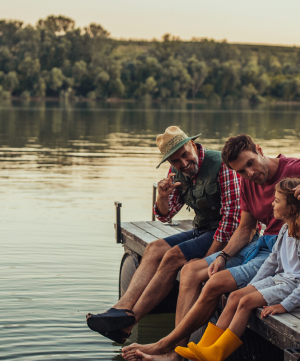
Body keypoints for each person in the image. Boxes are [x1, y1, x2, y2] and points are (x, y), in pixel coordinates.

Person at [122, 133, 300, 361]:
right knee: (191, 270)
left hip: (280, 248)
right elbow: (245, 228)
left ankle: (167, 347)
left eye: (250, 164)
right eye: (241, 171)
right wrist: (222, 255)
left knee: (215, 284)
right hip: (259, 243)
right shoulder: (246, 182)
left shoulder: (295, 169)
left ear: (259, 150)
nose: (249, 174)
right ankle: (177, 356)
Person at [86, 126, 242, 344]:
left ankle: (129, 323)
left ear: (192, 144)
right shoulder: (176, 172)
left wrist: (209, 259)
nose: (183, 163)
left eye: (185, 154)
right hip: (202, 229)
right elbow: (165, 215)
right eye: (175, 161)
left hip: (226, 235)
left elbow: (231, 223)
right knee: (154, 248)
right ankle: (121, 309)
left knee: (172, 256)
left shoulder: (222, 165)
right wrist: (162, 196)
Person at [175, 178, 300, 361]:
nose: (272, 204)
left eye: (277, 201)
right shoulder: (284, 230)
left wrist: (284, 306)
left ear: (291, 209)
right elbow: (271, 262)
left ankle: (217, 355)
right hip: (283, 279)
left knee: (246, 302)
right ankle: (205, 347)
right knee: (235, 296)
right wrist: (252, 286)